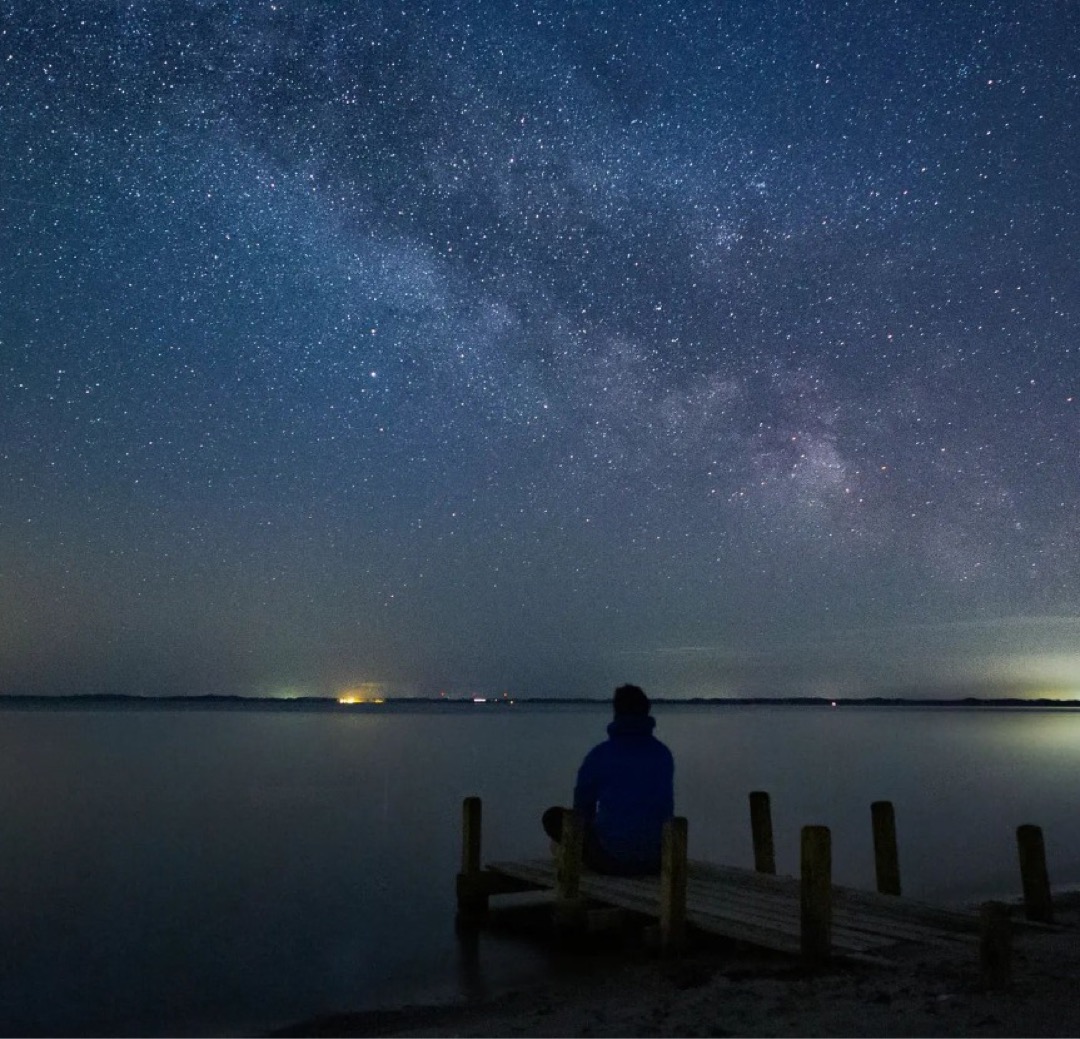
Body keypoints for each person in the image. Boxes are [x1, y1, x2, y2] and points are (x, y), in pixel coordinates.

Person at [543, 684, 674, 875]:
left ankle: (567, 862)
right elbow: (665, 808)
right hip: (655, 860)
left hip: (611, 860)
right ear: (647, 712)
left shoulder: (600, 755)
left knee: (553, 817)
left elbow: (582, 810)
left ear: (616, 713)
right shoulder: (662, 754)